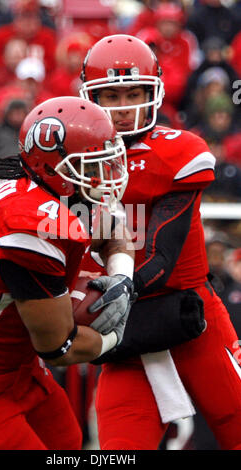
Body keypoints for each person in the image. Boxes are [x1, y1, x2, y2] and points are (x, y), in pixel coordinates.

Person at [0, 96, 135, 450]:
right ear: (53, 168)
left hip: (19, 369)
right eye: (91, 167)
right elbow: (58, 347)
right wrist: (117, 337)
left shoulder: (52, 191)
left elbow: (114, 227)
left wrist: (122, 277)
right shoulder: (28, 223)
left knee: (69, 443)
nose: (104, 177)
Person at [79, 34, 241, 450]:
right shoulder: (72, 161)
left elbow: (160, 255)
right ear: (88, 98)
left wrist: (109, 290)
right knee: (120, 449)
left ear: (156, 92)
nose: (123, 107)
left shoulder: (177, 152)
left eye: (134, 93)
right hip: (125, 334)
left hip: (192, 318)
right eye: (111, 95)